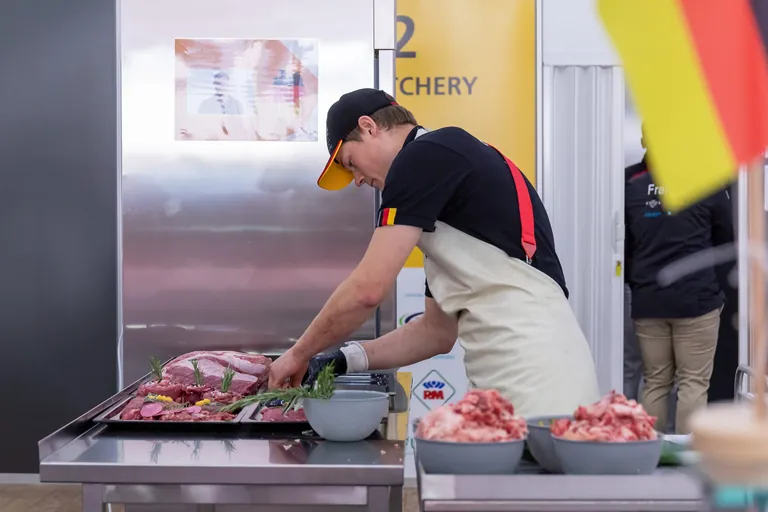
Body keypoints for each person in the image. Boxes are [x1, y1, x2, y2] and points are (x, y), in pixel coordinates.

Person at [268, 88, 601, 417]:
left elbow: (367, 290)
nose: (356, 180)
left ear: (369, 127)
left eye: (351, 163)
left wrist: (298, 354)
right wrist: (343, 359)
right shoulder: (442, 186)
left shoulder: (423, 156)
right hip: (516, 374)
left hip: (536, 378)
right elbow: (435, 334)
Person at [624, 125, 734, 434]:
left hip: (648, 298)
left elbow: (623, 241)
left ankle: (652, 450)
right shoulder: (704, 183)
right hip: (696, 300)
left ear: (647, 140)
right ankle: (687, 456)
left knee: (656, 380)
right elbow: (727, 237)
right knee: (693, 382)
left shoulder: (630, 183)